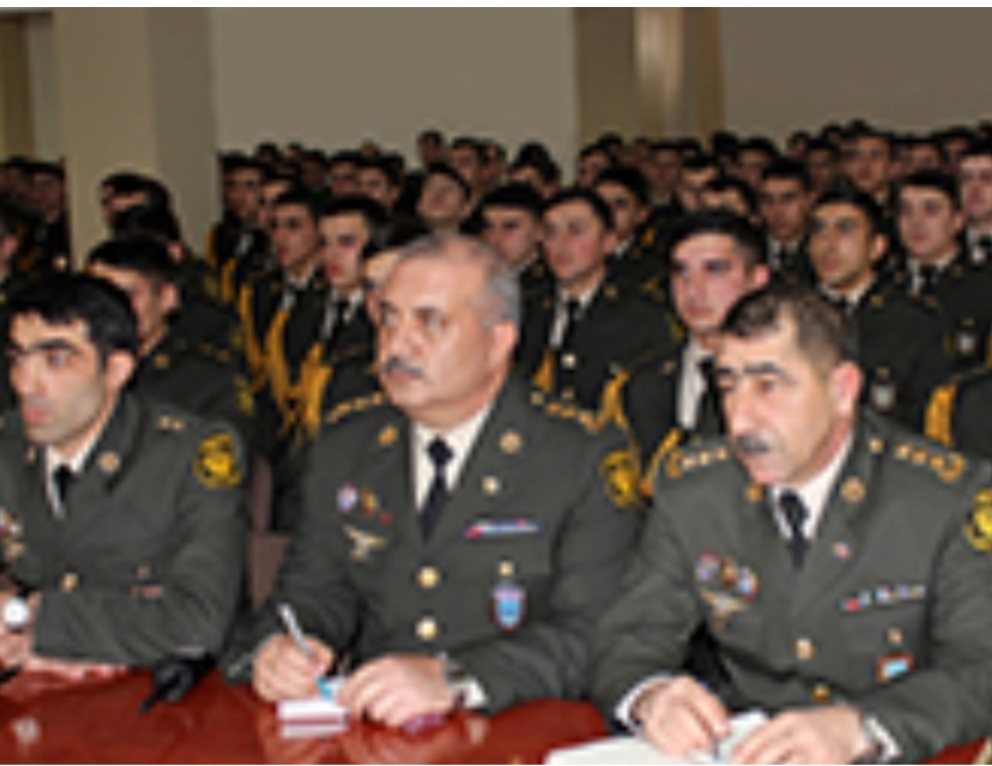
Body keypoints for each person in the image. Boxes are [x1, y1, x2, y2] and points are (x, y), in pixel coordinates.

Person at [224, 233, 641, 725]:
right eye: (389, 319)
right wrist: (284, 648)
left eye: (430, 322)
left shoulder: (579, 453)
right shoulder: (348, 443)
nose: (397, 344)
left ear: (498, 341)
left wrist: (458, 678)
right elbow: (312, 590)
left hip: (520, 728)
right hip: (381, 730)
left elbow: (594, 632)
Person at [591, 282, 992, 764]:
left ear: (842, 390)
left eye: (769, 386)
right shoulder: (695, 491)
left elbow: (981, 667)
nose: (740, 420)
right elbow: (629, 636)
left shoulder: (944, 498)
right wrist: (651, 696)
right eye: (727, 386)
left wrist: (864, 725)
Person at [0, 273, 246, 674]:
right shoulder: (8, 447)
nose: (26, 384)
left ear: (116, 370)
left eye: (56, 360)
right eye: (17, 359)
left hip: (154, 692)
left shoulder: (186, 454)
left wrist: (34, 618)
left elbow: (200, 621)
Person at [598, 210, 769, 494]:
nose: (693, 290)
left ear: (757, 279)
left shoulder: (791, 382)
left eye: (714, 270)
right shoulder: (636, 385)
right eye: (681, 272)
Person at [515, 188, 677, 410]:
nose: (561, 243)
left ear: (609, 242)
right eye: (551, 233)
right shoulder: (525, 309)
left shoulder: (642, 316)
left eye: (576, 231)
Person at [86, 235, 254, 447]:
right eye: (98, 296)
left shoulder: (208, 380)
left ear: (167, 298)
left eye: (128, 295)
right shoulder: (78, 371)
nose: (111, 309)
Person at [809, 187, 950, 429]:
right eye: (819, 230)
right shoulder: (790, 316)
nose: (828, 244)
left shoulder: (913, 323)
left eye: (845, 229)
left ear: (877, 247)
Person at [894, 170, 992, 370]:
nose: (916, 222)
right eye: (906, 211)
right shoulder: (885, 284)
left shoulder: (984, 286)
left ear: (958, 220)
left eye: (931, 211)